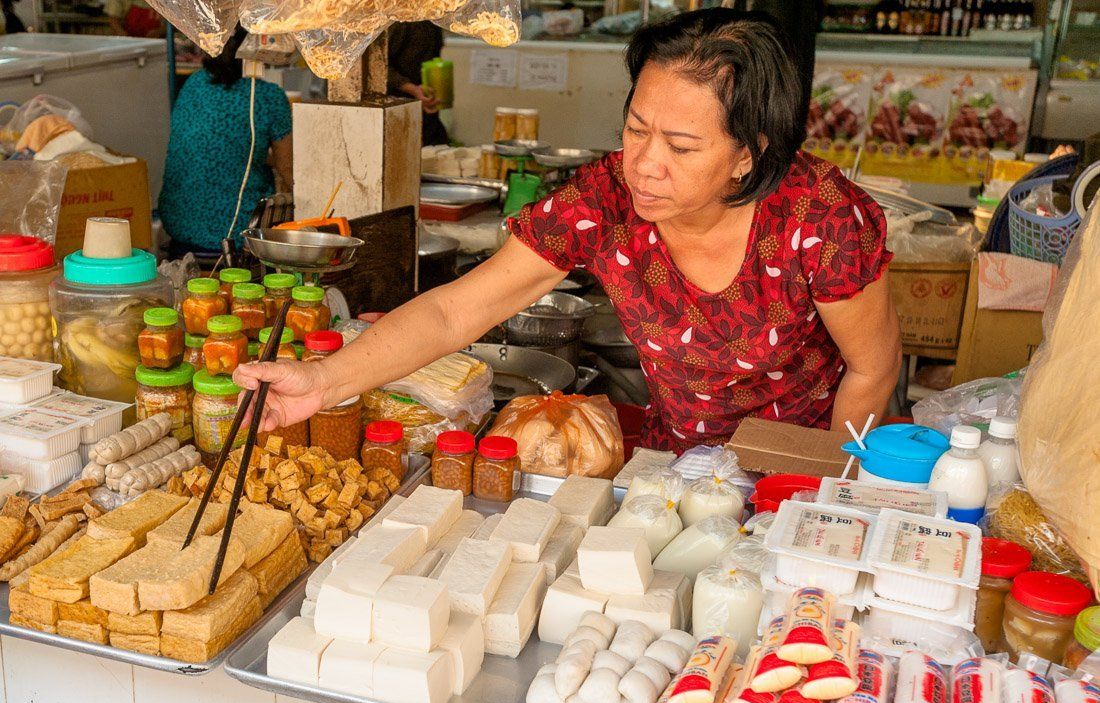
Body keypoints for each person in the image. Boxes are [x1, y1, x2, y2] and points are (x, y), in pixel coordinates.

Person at [236, 9, 901, 453]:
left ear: (749, 152)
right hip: (681, 466)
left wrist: (827, 490)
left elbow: (872, 369)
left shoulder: (822, 219)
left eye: (681, 146)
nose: (644, 164)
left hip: (809, 461)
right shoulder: (604, 201)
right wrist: (324, 381)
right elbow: (453, 312)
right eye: (636, 129)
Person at [159, 27, 293, 259]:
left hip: (178, 227)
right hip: (233, 238)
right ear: (255, 49)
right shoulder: (267, 97)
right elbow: (289, 169)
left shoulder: (193, 84)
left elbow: (222, 146)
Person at [386, 21, 450, 147]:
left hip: (426, 109)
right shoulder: (401, 21)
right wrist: (412, 89)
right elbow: (379, 65)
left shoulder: (433, 21)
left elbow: (432, 60)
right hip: (399, 109)